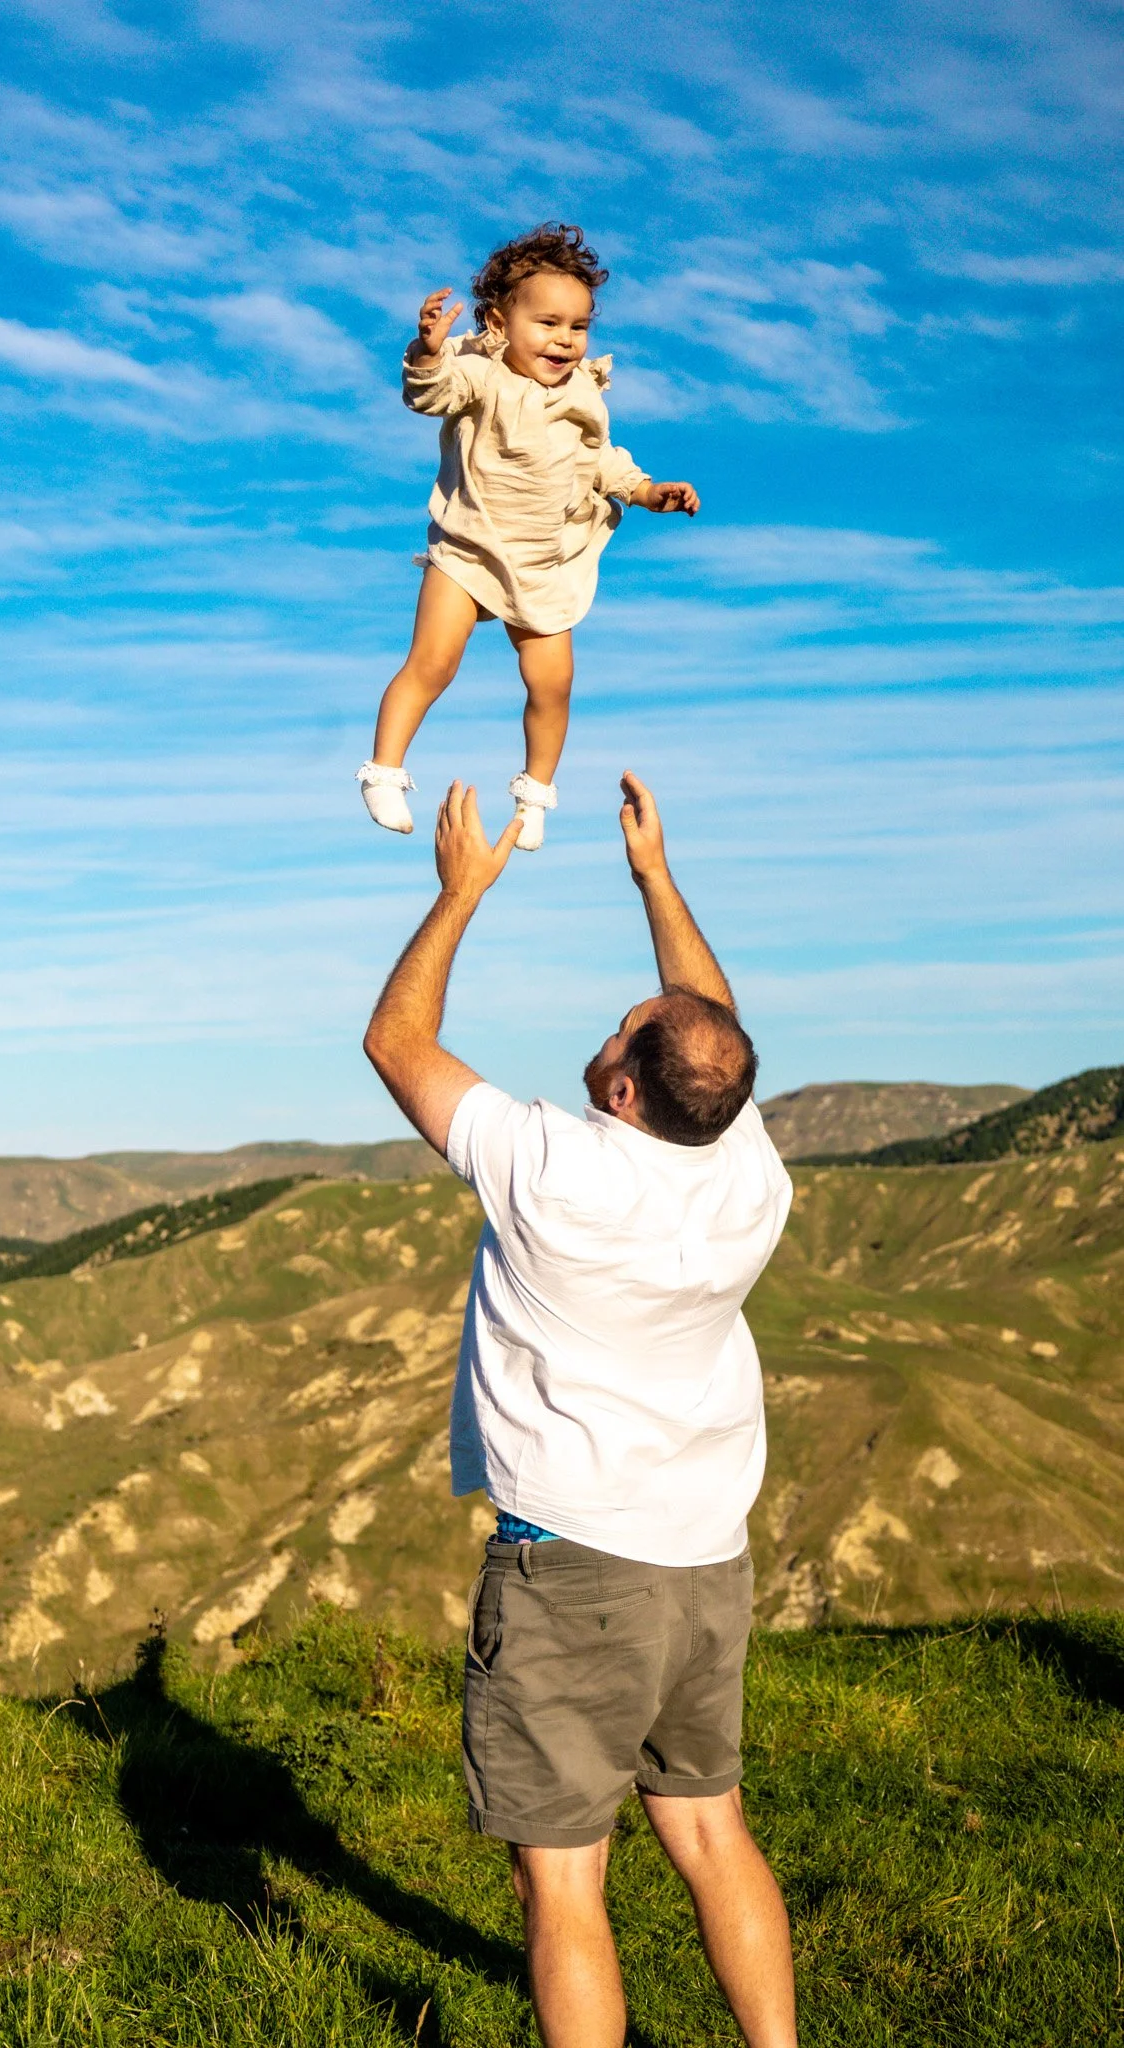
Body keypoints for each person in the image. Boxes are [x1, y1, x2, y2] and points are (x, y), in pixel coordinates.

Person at [362, 771, 797, 2048]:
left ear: (621, 1091)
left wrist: (460, 893)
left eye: (618, 1032)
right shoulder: (746, 1173)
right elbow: (710, 1035)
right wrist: (656, 878)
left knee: (564, 1877)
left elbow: (398, 1043)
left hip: (574, 1568)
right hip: (706, 1556)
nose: (606, 1035)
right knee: (711, 1826)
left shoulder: (555, 1168)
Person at [356, 224, 699, 851]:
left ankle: (535, 792)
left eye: (578, 326)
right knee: (434, 663)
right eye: (547, 323)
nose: (564, 340)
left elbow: (600, 462)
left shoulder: (582, 393)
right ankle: (383, 770)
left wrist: (648, 492)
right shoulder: (478, 374)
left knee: (552, 683)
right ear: (497, 323)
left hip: (545, 561)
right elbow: (429, 394)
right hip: (469, 549)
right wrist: (428, 350)